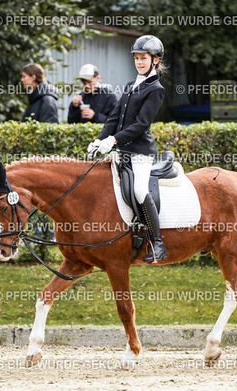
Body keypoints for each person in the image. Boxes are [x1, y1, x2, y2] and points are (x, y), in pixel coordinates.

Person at [87, 35, 167, 263]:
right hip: (122, 151)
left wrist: (113, 141)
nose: (139, 62)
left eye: (143, 58)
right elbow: (114, 117)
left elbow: (141, 125)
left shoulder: (155, 89)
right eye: (136, 58)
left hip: (141, 152)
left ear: (155, 60)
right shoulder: (132, 85)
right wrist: (99, 140)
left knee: (140, 190)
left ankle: (157, 242)